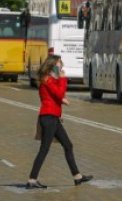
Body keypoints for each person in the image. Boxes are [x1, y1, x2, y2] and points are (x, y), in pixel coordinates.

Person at [26, 54, 92, 189]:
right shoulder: (47, 79)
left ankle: (77, 177)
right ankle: (32, 180)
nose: (62, 65)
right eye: (59, 63)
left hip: (53, 117)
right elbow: (59, 93)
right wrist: (63, 79)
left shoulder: (50, 79)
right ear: (53, 65)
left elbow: (56, 97)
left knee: (68, 145)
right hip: (48, 118)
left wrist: (61, 105)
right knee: (44, 149)